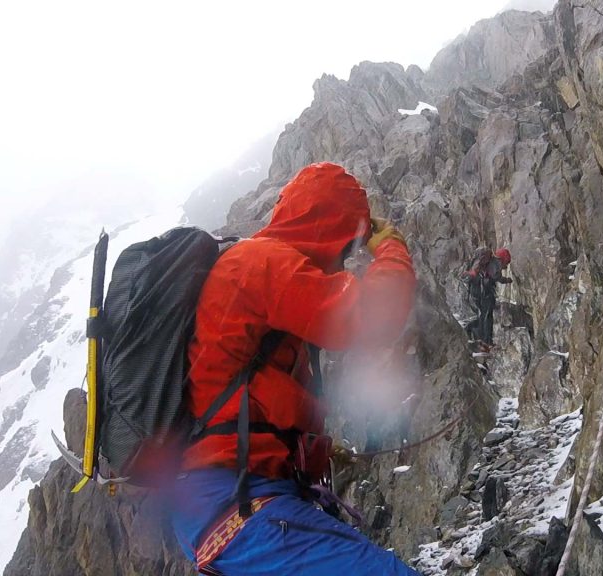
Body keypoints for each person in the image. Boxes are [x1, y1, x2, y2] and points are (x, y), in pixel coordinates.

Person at [170, 162, 420, 575]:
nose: (344, 261)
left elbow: (253, 398)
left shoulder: (255, 268)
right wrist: (390, 247)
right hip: (241, 503)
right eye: (347, 245)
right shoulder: (261, 262)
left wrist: (309, 450)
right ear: (329, 227)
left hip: (227, 504)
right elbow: (371, 319)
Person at [461, 247, 512, 350]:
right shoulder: (495, 262)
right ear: (503, 258)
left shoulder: (486, 262)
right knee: (487, 316)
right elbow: (495, 276)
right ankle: (486, 341)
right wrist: (506, 280)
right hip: (484, 292)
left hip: (476, 289)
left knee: (482, 315)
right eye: (506, 262)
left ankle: (475, 335)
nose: (505, 266)